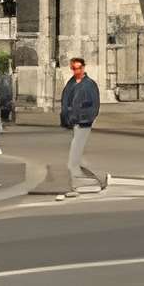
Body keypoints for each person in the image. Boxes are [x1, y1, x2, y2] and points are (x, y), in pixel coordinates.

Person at [59, 55, 106, 196]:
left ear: (83, 68)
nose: (76, 71)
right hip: (73, 121)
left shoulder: (89, 84)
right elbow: (65, 101)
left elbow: (95, 104)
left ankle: (79, 176)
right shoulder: (71, 83)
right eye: (73, 68)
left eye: (78, 68)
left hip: (84, 121)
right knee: (77, 149)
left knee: (75, 150)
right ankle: (90, 175)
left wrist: (88, 117)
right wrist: (65, 117)